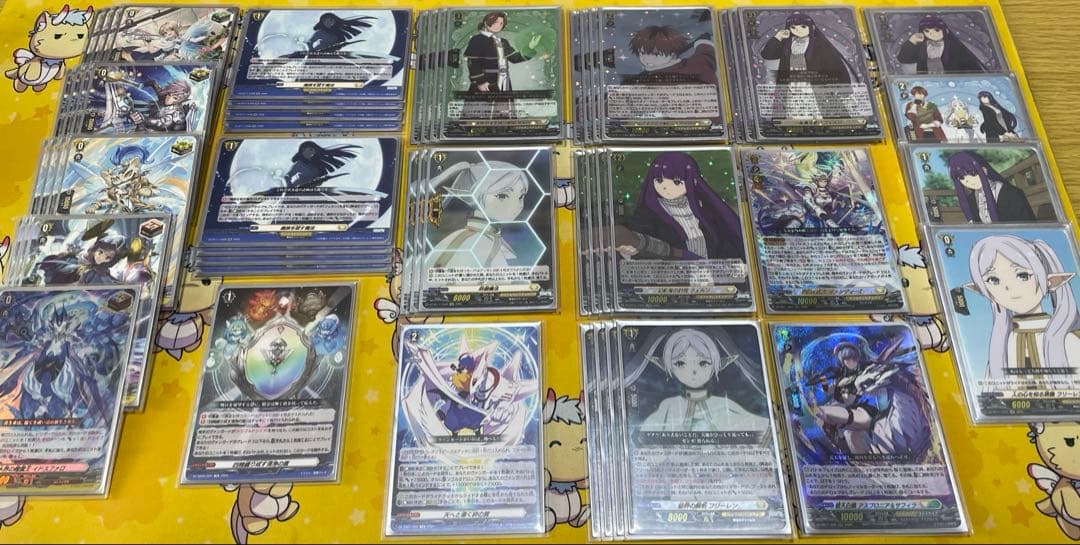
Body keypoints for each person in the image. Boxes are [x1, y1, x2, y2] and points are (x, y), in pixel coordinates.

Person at [966, 235, 1080, 374]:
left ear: (1050, 281)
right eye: (993, 280)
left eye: (1023, 276)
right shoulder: (1002, 346)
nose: (1008, 287)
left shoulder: (1067, 340)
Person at [614, 151, 744, 261]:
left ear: (693, 180)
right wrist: (631, 250)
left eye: (676, 182)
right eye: (659, 180)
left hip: (715, 276)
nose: (665, 187)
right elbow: (642, 243)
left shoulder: (706, 211)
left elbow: (724, 243)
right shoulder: (648, 214)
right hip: (673, 277)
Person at [641, 329, 769, 433]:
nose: (693, 371)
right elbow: (646, 433)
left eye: (703, 363)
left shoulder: (722, 405)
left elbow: (757, 427)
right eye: (680, 363)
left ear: (716, 364)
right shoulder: (670, 405)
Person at [428, 161, 530, 269]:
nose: (516, 205)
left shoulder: (493, 239)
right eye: (502, 196)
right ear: (476, 194)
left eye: (521, 197)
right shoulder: (470, 241)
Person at [461, 11, 542, 119]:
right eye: (495, 22)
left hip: (504, 80)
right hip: (486, 79)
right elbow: (473, 63)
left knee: (504, 108)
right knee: (481, 110)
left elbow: (515, 58)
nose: (498, 25)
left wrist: (530, 48)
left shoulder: (502, 41)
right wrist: (480, 82)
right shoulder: (477, 40)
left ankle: (503, 126)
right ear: (486, 22)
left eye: (501, 23)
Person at [760, 13, 850, 85]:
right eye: (793, 27)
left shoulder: (819, 44)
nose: (798, 30)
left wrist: (841, 87)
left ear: (812, 27)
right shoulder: (788, 43)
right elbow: (767, 55)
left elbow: (835, 64)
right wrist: (778, 37)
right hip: (790, 84)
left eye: (803, 26)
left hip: (813, 84)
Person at [947, 151, 1035, 223]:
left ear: (984, 170)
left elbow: (1028, 224)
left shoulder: (1011, 194)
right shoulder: (972, 200)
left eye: (972, 174)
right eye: (962, 178)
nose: (968, 181)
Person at [625, 25, 718, 85]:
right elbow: (707, 54)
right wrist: (703, 42)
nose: (646, 59)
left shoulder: (694, 66)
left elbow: (706, 54)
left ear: (673, 52)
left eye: (655, 54)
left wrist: (703, 42)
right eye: (641, 53)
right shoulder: (697, 63)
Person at [897, 14, 986, 74]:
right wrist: (912, 41)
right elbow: (904, 59)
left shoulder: (954, 47)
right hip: (926, 82)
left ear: (945, 30)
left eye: (936, 30)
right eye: (927, 31)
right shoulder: (923, 46)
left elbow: (970, 66)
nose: (931, 34)